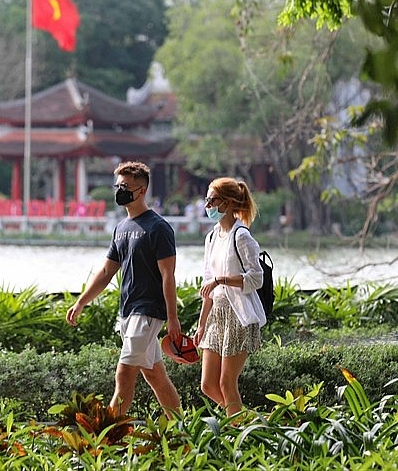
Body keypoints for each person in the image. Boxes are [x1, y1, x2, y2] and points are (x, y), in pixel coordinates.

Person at [66, 161, 182, 418]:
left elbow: (168, 275)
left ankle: (106, 435)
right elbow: (107, 272)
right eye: (117, 185)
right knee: (155, 376)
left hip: (148, 311)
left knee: (124, 373)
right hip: (128, 312)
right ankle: (182, 430)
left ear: (141, 191)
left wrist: (173, 319)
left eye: (125, 186)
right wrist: (81, 302)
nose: (119, 191)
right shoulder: (121, 228)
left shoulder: (159, 228)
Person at [194, 177, 266, 419]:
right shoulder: (212, 237)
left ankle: (238, 432)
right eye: (206, 200)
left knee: (226, 383)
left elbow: (257, 278)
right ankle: (248, 421)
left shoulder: (242, 236)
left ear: (227, 202)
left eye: (211, 200)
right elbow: (207, 283)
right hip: (216, 315)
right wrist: (202, 323)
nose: (207, 206)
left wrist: (222, 279)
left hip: (238, 315)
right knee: (207, 385)